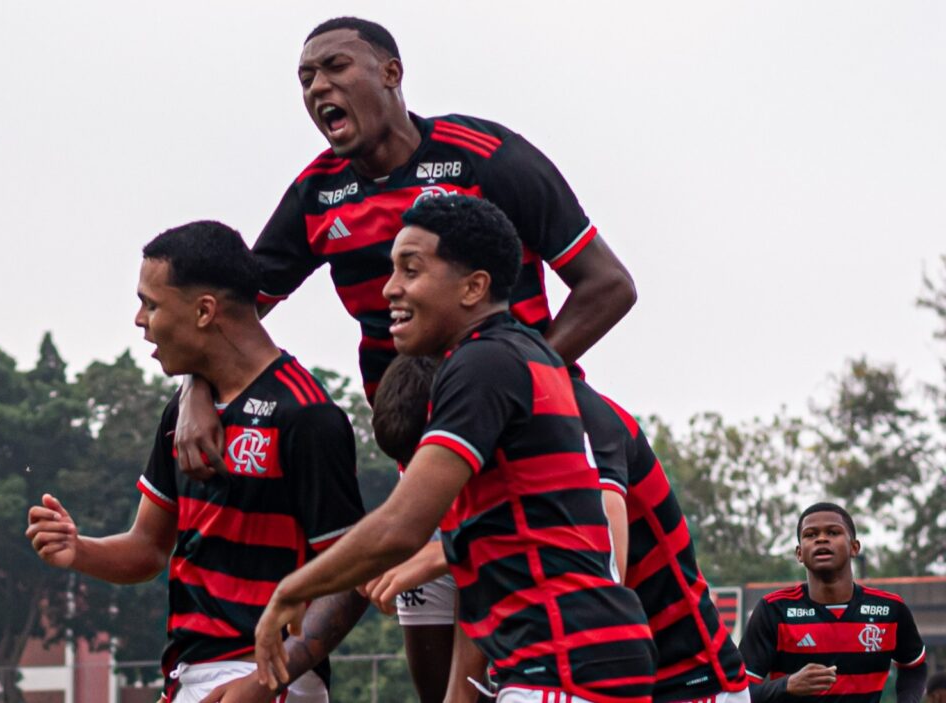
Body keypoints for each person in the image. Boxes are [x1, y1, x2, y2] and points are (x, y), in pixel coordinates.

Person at [175, 17, 639, 701]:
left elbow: (609, 286)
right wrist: (194, 389)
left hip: (536, 446)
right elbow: (234, 313)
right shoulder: (317, 194)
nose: (318, 86)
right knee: (444, 667)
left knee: (545, 626)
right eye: (305, 78)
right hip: (426, 454)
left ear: (392, 73)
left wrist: (517, 380)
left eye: (335, 67)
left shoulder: (488, 158)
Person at [255, 195, 657, 703]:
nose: (390, 288)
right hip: (576, 658)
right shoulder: (523, 353)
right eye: (391, 269)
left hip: (564, 664)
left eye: (411, 269)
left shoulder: (482, 363)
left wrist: (291, 591)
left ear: (474, 287)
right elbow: (500, 543)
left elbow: (402, 526)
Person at [25, 222, 368, 703]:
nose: (139, 320)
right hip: (188, 676)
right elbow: (148, 549)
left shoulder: (307, 416)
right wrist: (79, 549)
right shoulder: (181, 412)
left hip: (264, 678)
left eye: (151, 303)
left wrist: (267, 678)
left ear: (205, 310)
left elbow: (352, 576)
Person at [367, 353, 749, 703]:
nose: (392, 289)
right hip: (551, 674)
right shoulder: (453, 449)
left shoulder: (578, 417)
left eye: (412, 272)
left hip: (683, 681)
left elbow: (602, 573)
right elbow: (478, 580)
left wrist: (449, 552)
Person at [739, 502, 927, 703]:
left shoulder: (890, 609)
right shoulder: (774, 610)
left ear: (854, 547)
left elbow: (914, 667)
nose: (821, 539)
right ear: (799, 553)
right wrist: (786, 686)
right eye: (810, 535)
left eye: (833, 532)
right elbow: (738, 692)